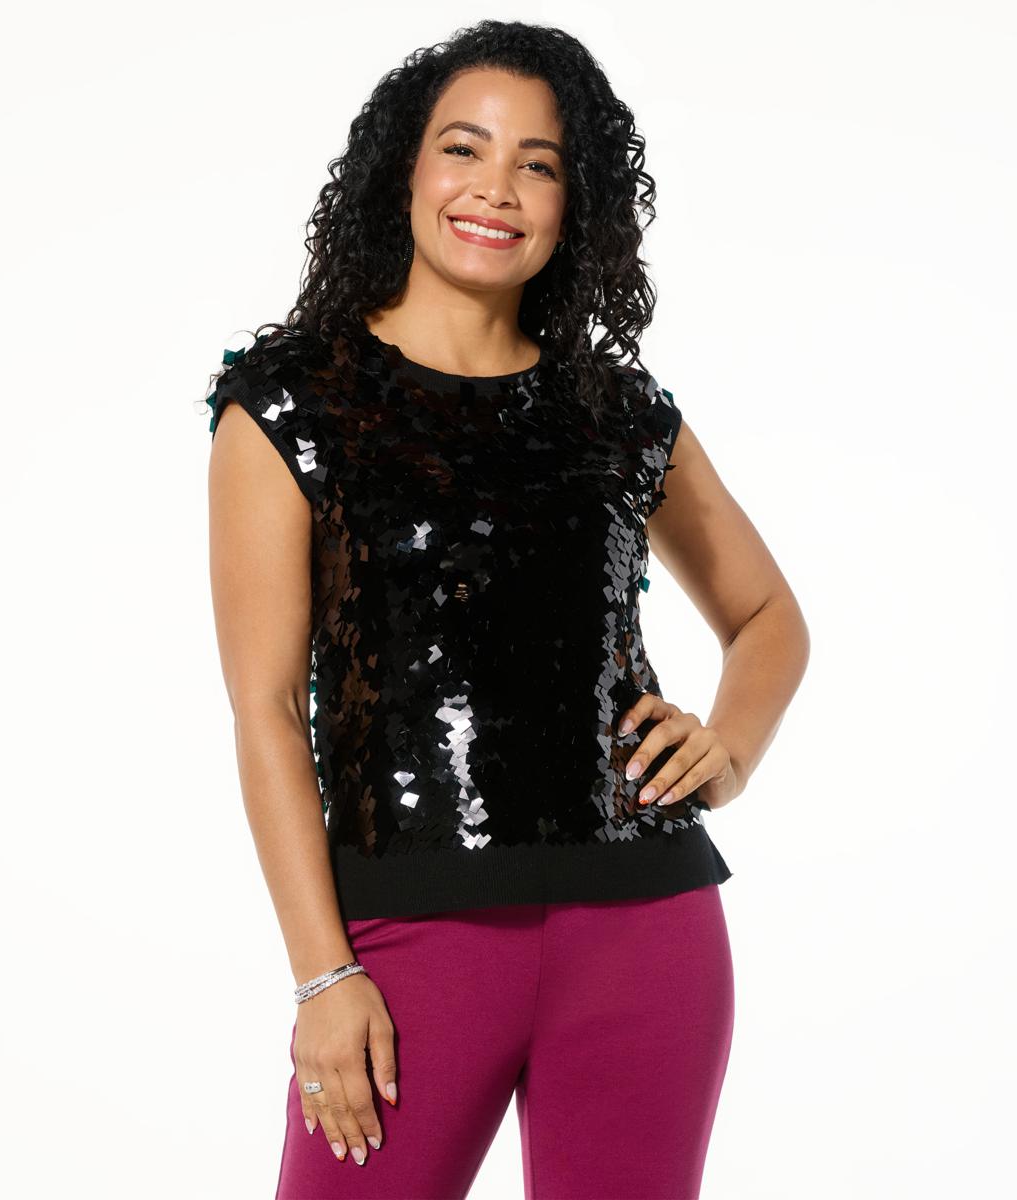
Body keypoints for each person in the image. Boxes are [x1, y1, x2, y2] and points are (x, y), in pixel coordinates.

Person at [204, 19, 809, 1200]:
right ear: (404, 169)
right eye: (464, 149)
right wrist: (324, 976)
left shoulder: (617, 412)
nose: (496, 188)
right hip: (407, 942)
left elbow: (768, 613)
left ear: (575, 205)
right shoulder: (289, 406)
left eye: (539, 164)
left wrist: (731, 749)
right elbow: (266, 708)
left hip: (646, 929)